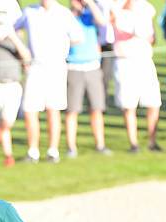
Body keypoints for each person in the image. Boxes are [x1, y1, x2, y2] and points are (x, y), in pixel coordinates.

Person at [15, 0, 84, 163]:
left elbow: (78, 37)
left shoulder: (64, 13)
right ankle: (33, 151)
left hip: (56, 67)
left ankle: (53, 151)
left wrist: (62, 46)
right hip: (35, 66)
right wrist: (23, 50)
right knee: (30, 109)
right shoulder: (29, 12)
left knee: (53, 108)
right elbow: (14, 29)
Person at [111, 0, 162, 152]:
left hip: (145, 60)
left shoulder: (146, 7)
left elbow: (152, 37)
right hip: (125, 60)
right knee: (129, 105)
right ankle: (134, 144)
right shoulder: (115, 7)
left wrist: (146, 36)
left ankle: (152, 141)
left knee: (153, 102)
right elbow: (117, 32)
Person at [0, 10, 30, 167]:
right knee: (0, 122)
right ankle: (8, 155)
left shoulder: (16, 39)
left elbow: (26, 57)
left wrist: (13, 37)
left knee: (7, 121)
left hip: (13, 84)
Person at [65, 0, 110, 158]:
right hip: (74, 67)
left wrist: (90, 3)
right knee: (72, 110)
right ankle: (71, 147)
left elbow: (103, 22)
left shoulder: (90, 15)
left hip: (92, 67)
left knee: (97, 108)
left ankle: (100, 144)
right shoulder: (66, 16)